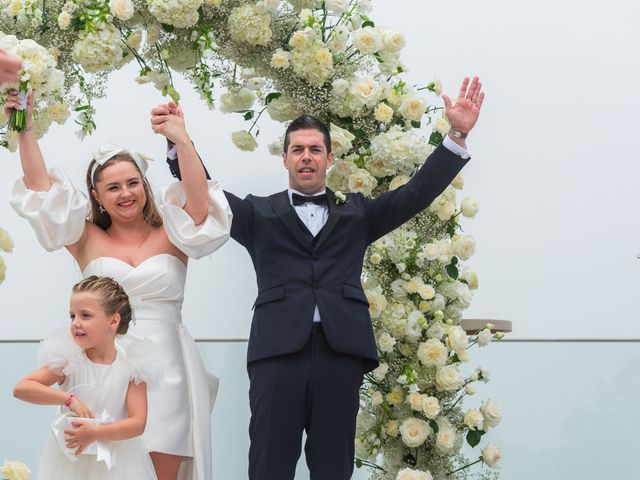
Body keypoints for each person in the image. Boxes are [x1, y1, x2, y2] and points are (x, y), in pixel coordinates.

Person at [159, 76, 485, 479]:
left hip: (340, 353)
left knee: (333, 467)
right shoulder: (258, 214)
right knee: (268, 464)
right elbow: (206, 194)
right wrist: (180, 143)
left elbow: (414, 194)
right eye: (298, 150)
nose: (307, 157)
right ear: (285, 158)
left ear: (330, 158)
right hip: (277, 353)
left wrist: (456, 135)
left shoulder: (359, 213)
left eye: (315, 149)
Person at [7, 92, 232, 480]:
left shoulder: (175, 232)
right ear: (96, 196)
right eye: (113, 187)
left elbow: (200, 200)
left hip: (166, 371)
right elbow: (41, 189)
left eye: (132, 183)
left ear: (144, 186)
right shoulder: (84, 237)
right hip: (100, 369)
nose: (125, 193)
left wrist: (182, 138)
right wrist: (23, 126)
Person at [13, 275, 160, 480]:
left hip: (117, 462)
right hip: (70, 459)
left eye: (85, 315)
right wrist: (68, 399)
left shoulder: (133, 365)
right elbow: (22, 388)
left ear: (113, 321)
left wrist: (96, 432)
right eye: (72, 316)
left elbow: (137, 422)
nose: (76, 323)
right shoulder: (69, 358)